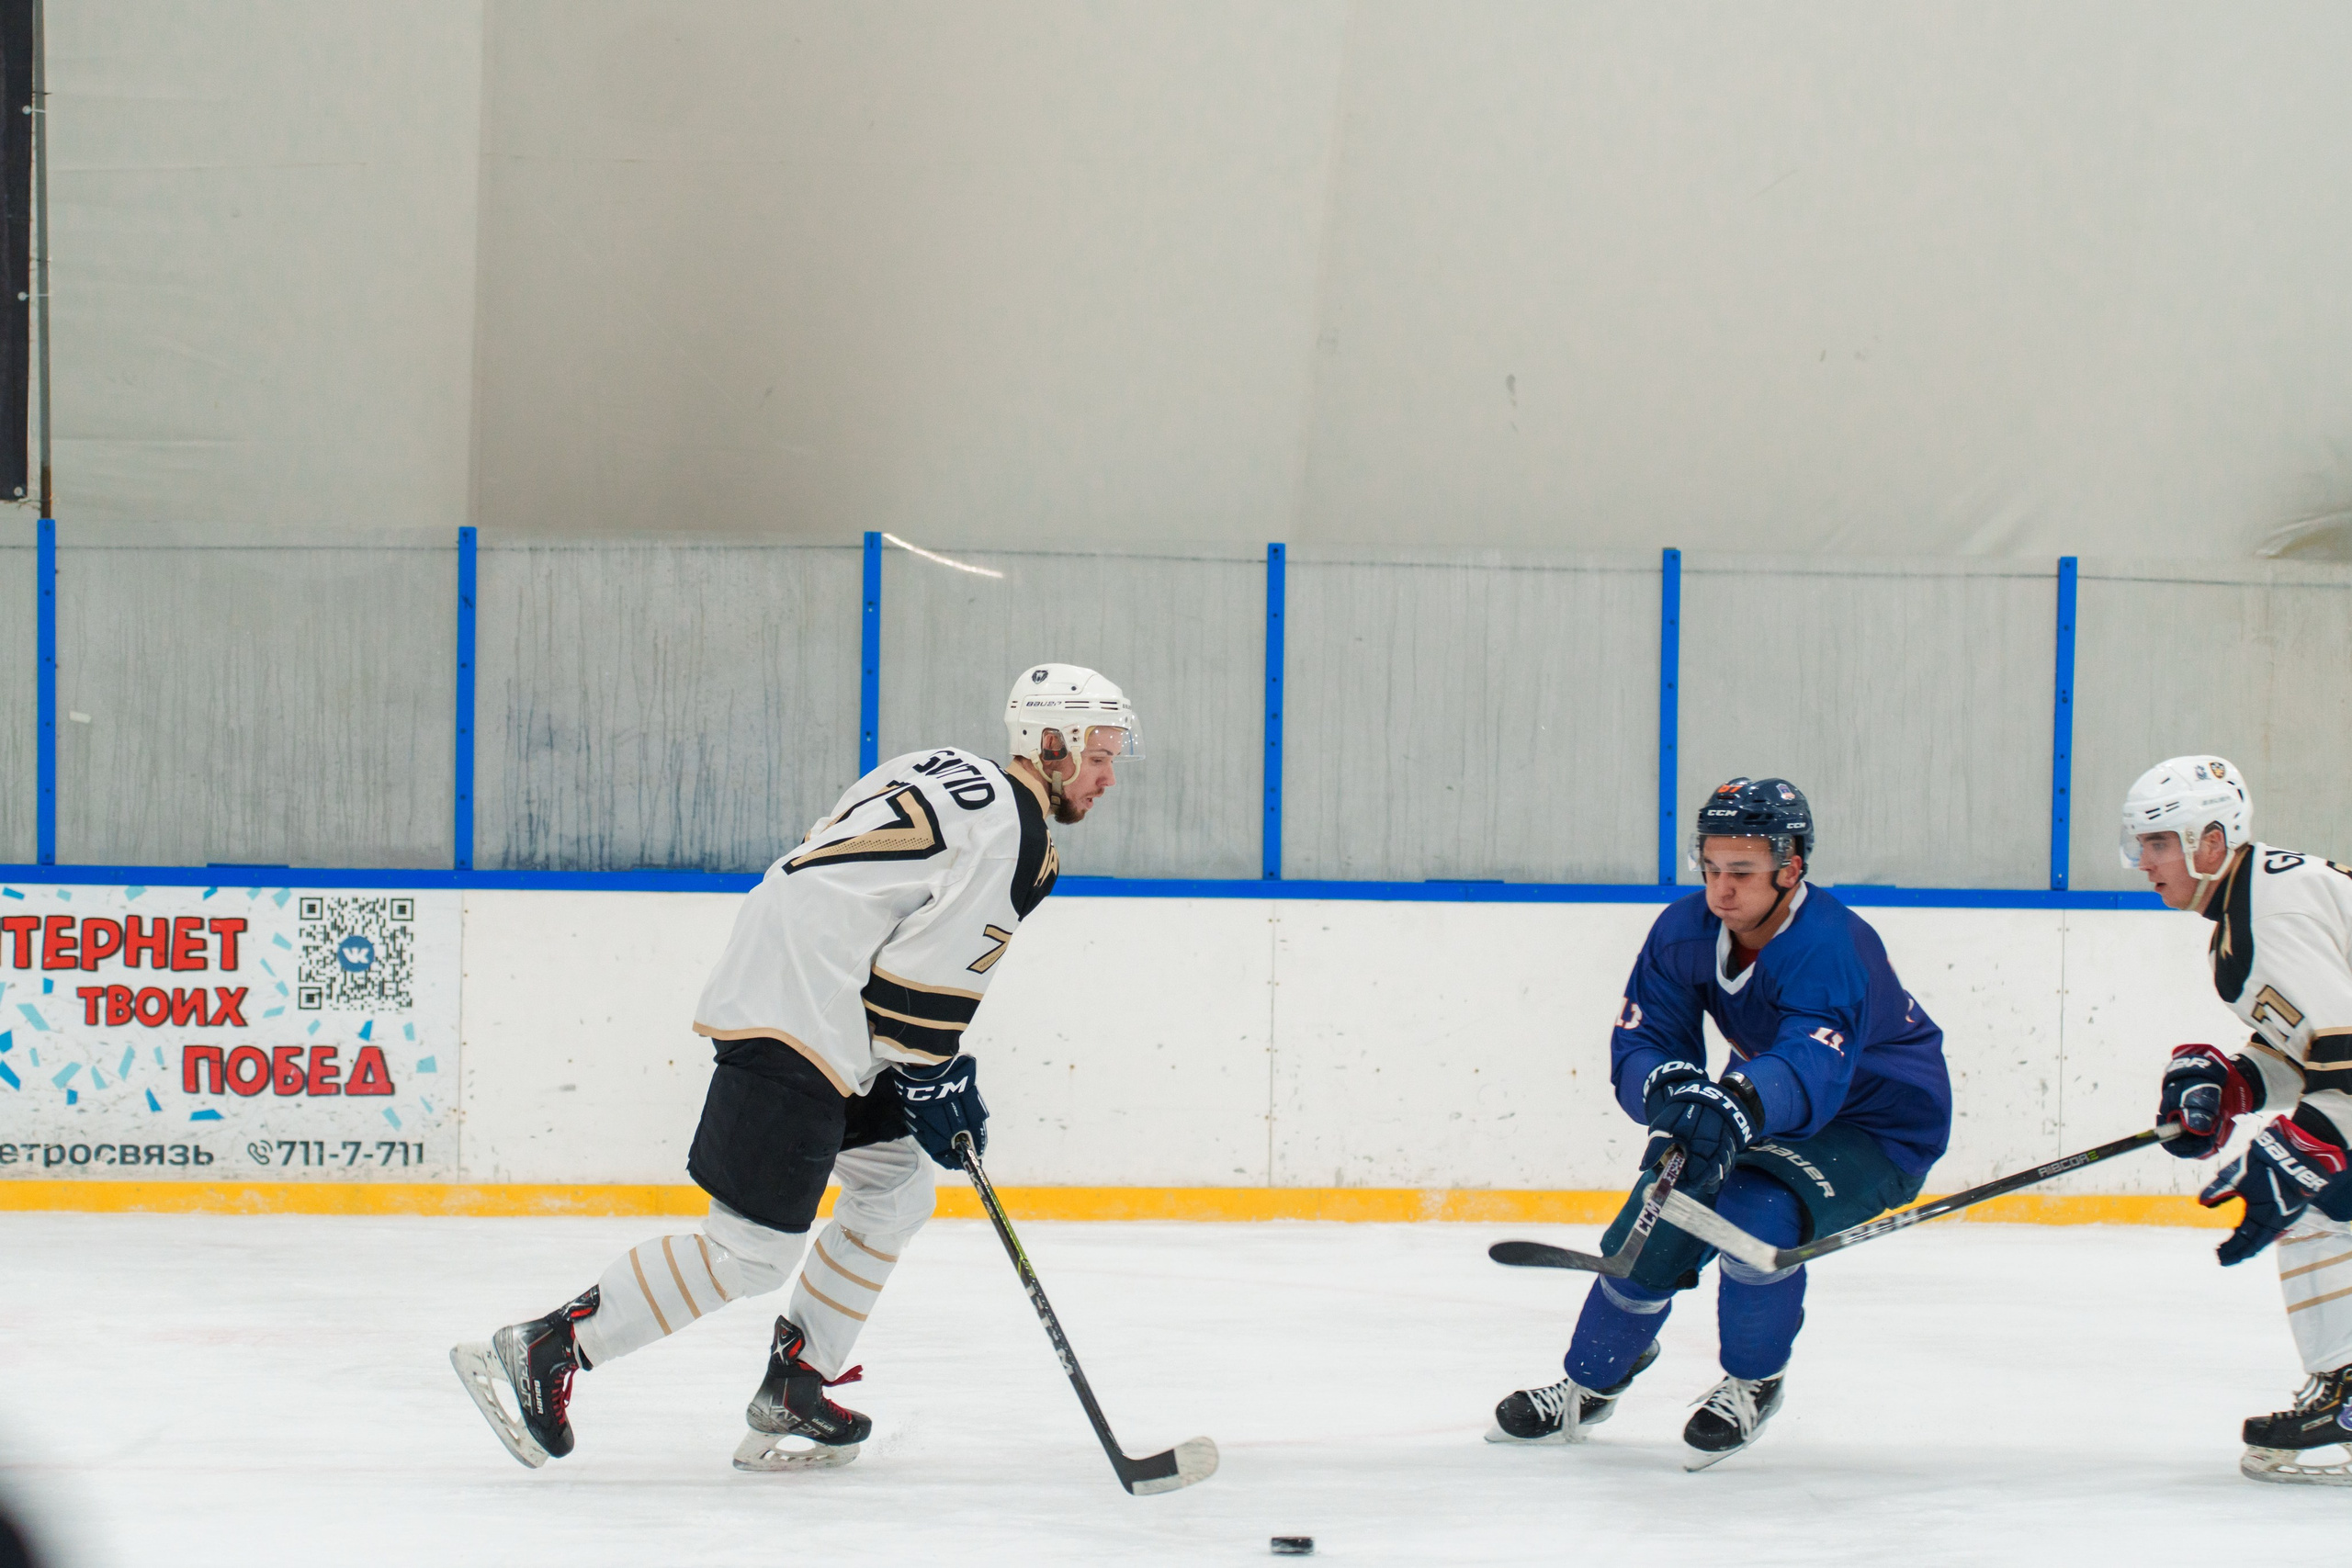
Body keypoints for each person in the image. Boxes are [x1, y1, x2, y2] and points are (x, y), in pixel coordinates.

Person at [452, 664, 1138, 1472]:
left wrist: (927, 1070)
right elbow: (924, 985)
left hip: (813, 987)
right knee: (751, 1252)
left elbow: (843, 865)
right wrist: (936, 1076)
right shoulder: (1024, 839)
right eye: (1098, 751)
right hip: (806, 1004)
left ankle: (797, 1380)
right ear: (1048, 742)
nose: (1107, 773)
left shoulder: (940, 763)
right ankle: (545, 1348)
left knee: (895, 1186)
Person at [1490, 777, 1951, 1469]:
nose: (1720, 890)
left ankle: (1753, 1379)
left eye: (1741, 872)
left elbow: (1809, 1062)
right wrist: (1671, 1090)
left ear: (1790, 868)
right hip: (1771, 1105)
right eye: (1710, 868)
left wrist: (1737, 1101)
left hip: (1879, 1125)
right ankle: (1591, 1380)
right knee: (1662, 1207)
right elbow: (1647, 1036)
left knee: (1753, 1210)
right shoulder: (1685, 930)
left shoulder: (1833, 943)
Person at [2128, 755, 2352, 1485]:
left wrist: (2304, 1145)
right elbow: (2318, 1053)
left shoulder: (2273, 909)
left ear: (2213, 840)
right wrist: (2236, 1083)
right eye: (2143, 844)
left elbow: (2346, 1054)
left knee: (2318, 1197)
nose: (2146, 861)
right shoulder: (2250, 904)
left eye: (2160, 842)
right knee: (2323, 1198)